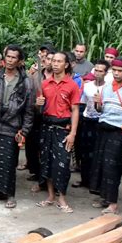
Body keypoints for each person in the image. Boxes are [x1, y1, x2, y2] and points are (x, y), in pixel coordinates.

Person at [89, 57, 122, 215]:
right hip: (103, 129)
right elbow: (101, 110)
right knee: (99, 165)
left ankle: (113, 204)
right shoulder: (106, 87)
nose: (117, 74)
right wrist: (98, 104)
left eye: (120, 71)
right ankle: (105, 198)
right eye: (114, 71)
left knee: (112, 167)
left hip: (119, 132)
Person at [0, 44, 34, 209]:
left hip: (12, 125)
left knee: (9, 160)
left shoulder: (25, 82)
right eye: (9, 56)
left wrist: (25, 131)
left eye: (14, 57)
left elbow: (28, 110)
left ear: (20, 61)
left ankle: (10, 194)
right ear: (4, 59)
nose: (11, 60)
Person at [35, 51, 80, 213]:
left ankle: (62, 198)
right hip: (46, 127)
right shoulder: (45, 84)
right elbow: (39, 108)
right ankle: (51, 196)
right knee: (46, 162)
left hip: (63, 129)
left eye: (59, 61)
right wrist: (38, 104)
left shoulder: (72, 85)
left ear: (66, 65)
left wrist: (73, 133)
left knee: (62, 164)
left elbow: (75, 110)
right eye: (53, 61)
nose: (55, 64)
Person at [72, 59, 110, 188]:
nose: (98, 73)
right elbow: (81, 103)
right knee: (84, 151)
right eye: (96, 70)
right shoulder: (87, 86)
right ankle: (84, 179)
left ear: (106, 73)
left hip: (101, 122)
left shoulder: (109, 87)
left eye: (101, 71)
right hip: (87, 120)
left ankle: (96, 182)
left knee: (98, 152)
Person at [28, 50, 55, 193]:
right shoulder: (35, 75)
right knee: (34, 148)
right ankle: (39, 178)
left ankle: (50, 181)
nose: (48, 61)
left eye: (52, 59)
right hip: (35, 116)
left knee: (49, 151)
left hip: (52, 117)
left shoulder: (60, 77)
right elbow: (29, 94)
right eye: (46, 59)